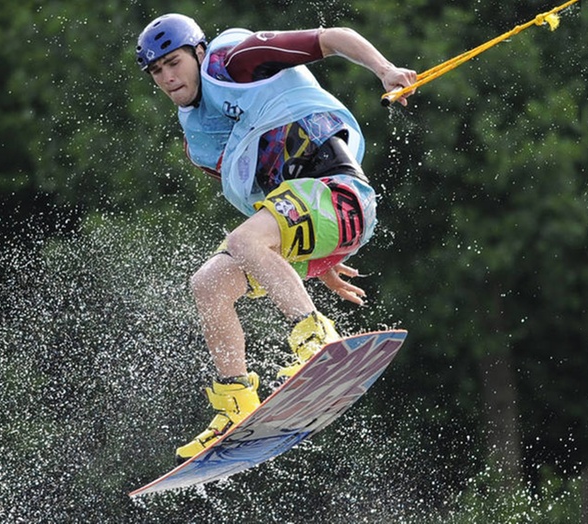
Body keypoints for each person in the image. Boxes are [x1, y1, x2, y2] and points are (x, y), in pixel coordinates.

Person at [135, 13, 416, 462]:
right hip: (312, 219)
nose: (168, 77)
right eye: (156, 71)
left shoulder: (237, 62)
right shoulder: (200, 138)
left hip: (341, 195)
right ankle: (235, 399)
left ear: (199, 53)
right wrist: (319, 261)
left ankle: (315, 338)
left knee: (243, 242)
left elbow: (333, 38)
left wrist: (385, 70)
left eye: (174, 63)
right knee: (209, 282)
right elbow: (275, 202)